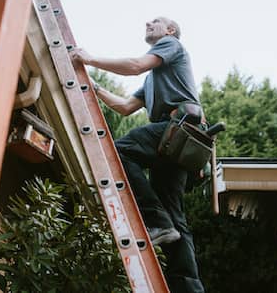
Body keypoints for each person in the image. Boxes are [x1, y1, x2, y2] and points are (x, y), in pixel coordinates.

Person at [71, 17, 205, 293]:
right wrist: (92, 85)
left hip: (178, 131)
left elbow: (135, 65)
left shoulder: (172, 45)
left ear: (170, 31)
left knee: (118, 152)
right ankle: (188, 288)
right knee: (175, 221)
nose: (148, 22)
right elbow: (124, 106)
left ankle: (155, 220)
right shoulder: (154, 79)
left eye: (156, 21)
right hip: (174, 144)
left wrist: (89, 59)